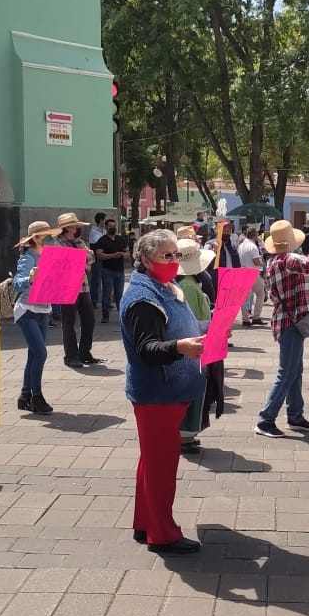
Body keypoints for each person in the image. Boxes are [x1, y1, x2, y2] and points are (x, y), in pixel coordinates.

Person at [120, 229, 207, 555]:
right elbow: (147, 349)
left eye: (175, 255)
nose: (173, 261)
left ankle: (145, 523)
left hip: (169, 390)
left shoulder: (160, 286)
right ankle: (163, 534)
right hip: (157, 393)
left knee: (153, 462)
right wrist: (181, 347)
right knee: (161, 466)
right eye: (165, 256)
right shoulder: (143, 298)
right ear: (145, 260)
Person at [255, 219, 309, 437]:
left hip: (287, 322)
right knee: (287, 373)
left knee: (294, 371)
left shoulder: (276, 260)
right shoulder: (288, 259)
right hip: (291, 323)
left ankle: (295, 415)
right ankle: (266, 420)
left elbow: (307, 262)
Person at [13, 220, 61, 413]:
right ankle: (36, 396)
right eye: (44, 234)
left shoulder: (46, 253)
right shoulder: (29, 256)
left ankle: (25, 396)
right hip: (27, 309)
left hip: (43, 308)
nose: (47, 237)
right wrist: (30, 278)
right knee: (40, 353)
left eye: (48, 234)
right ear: (35, 237)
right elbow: (17, 283)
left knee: (34, 354)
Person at [175, 238, 216, 455]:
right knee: (192, 391)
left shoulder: (187, 282)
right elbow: (191, 320)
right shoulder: (188, 286)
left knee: (195, 390)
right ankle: (184, 435)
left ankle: (187, 434)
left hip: (196, 342)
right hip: (194, 344)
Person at [55, 213, 102, 367]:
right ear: (67, 228)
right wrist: (81, 262)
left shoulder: (79, 241)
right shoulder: (58, 243)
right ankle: (70, 356)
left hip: (83, 287)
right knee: (69, 323)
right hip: (67, 288)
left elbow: (92, 257)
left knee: (89, 321)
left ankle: (84, 352)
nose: (77, 227)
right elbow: (64, 262)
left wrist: (77, 260)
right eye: (74, 225)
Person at [93, 216, 130, 323]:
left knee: (119, 294)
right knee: (107, 294)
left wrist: (123, 254)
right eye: (110, 226)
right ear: (106, 227)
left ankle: (121, 316)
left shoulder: (121, 239)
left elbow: (127, 252)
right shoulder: (102, 240)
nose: (112, 228)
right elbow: (99, 255)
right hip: (107, 270)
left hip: (120, 271)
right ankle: (105, 315)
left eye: (114, 226)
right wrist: (113, 255)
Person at [238, 227, 266, 326]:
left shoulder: (241, 245)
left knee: (244, 297)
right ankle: (256, 316)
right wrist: (262, 264)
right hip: (252, 272)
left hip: (243, 271)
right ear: (254, 236)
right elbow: (256, 261)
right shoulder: (252, 246)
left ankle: (245, 318)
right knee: (260, 294)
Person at [88, 212, 106, 307]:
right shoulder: (94, 231)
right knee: (96, 280)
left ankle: (104, 301)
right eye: (104, 220)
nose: (105, 222)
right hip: (97, 259)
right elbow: (99, 244)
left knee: (105, 280)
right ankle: (93, 301)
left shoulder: (103, 231)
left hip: (104, 257)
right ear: (100, 220)